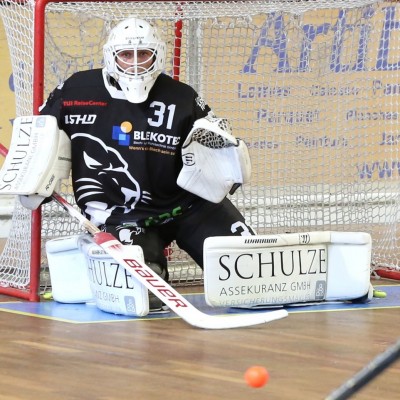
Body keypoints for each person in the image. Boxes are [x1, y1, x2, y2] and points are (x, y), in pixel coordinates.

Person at [40, 17, 255, 309]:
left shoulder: (182, 97)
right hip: (123, 216)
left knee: (251, 275)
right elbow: (40, 136)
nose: (135, 63)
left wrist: (228, 162)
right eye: (126, 55)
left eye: (143, 54)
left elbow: (216, 149)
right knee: (145, 295)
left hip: (190, 207)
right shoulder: (76, 91)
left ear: (157, 55)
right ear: (111, 56)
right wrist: (35, 175)